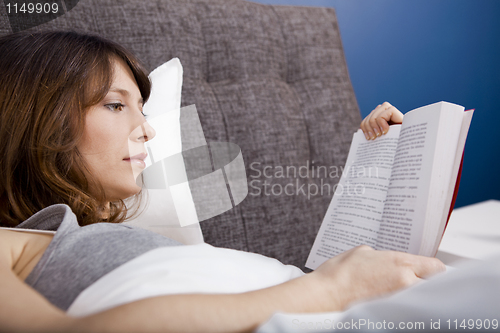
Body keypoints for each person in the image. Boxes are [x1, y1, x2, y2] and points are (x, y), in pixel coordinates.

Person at [0, 31, 444, 333]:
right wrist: (330, 289)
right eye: (116, 105)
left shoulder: (115, 234)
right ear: (38, 121)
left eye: (143, 109)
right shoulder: (11, 243)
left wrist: (380, 154)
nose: (148, 130)